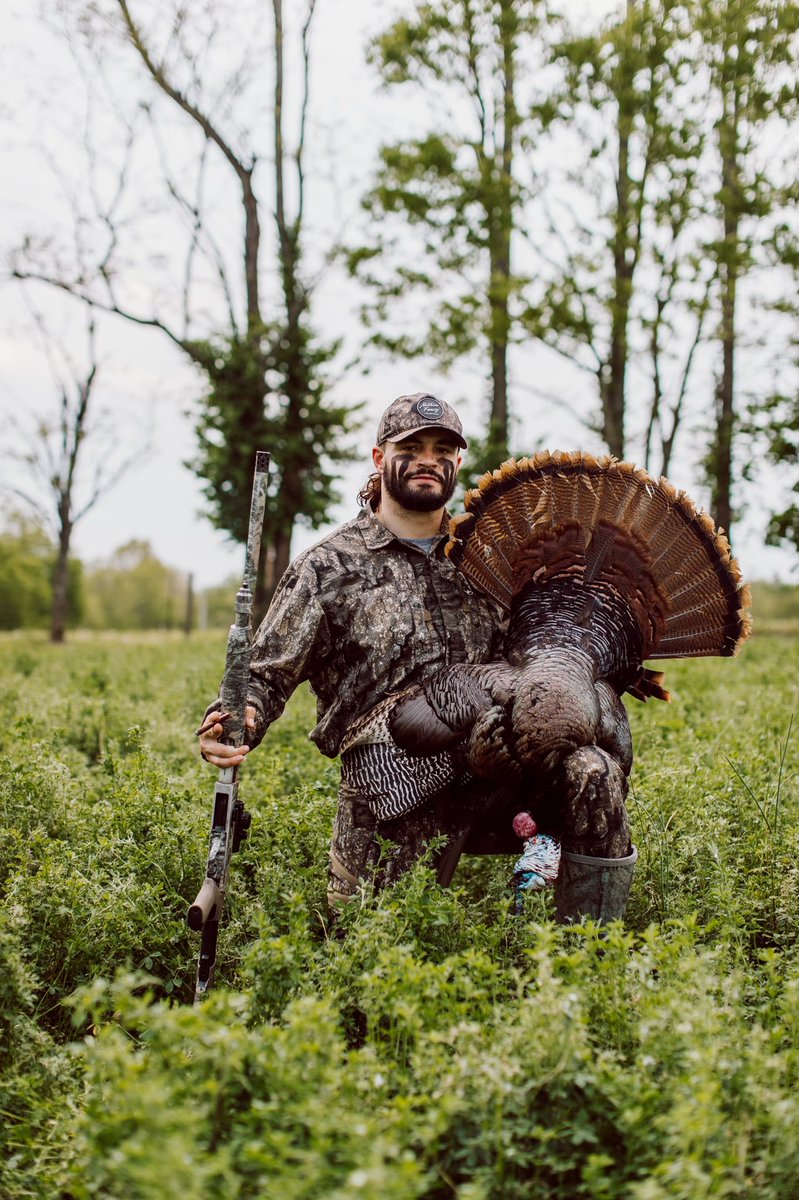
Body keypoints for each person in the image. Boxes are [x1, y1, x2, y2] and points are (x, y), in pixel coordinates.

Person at [199, 392, 507, 909]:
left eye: (443, 449)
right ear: (380, 458)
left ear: (458, 461)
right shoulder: (328, 566)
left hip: (493, 767)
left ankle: (583, 951)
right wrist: (233, 720)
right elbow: (265, 676)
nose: (429, 459)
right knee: (369, 944)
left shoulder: (488, 558)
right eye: (413, 446)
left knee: (590, 776)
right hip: (390, 782)